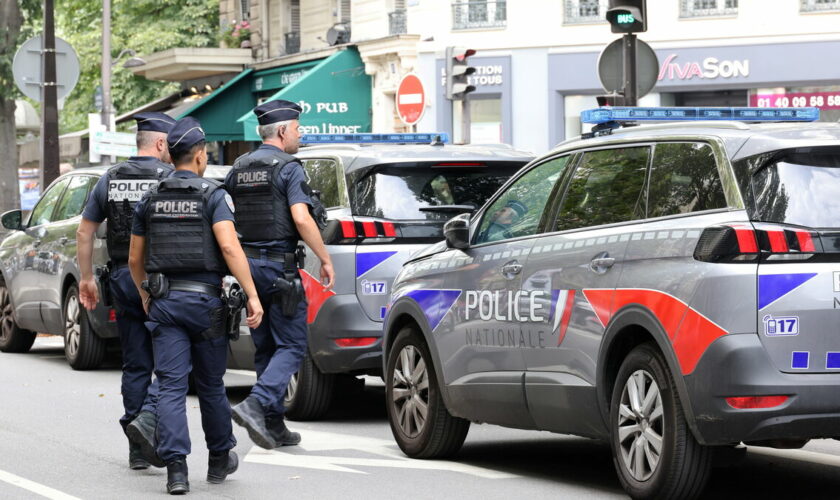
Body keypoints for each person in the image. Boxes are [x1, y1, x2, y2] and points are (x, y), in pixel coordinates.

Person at [128, 117, 264, 494]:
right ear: (201, 155)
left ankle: (176, 471)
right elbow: (229, 247)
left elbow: (134, 258)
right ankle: (220, 459)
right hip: (205, 304)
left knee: (171, 385)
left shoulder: (151, 197)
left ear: (170, 156)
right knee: (210, 385)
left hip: (166, 302)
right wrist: (252, 294)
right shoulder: (213, 195)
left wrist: (144, 294)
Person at [225, 99, 335, 449]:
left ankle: (273, 424)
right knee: (292, 343)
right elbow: (301, 218)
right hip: (278, 266)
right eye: (299, 130)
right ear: (284, 130)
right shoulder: (289, 167)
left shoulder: (238, 167)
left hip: (248, 267)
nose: (300, 136)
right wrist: (324, 257)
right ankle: (257, 405)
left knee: (266, 346)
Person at [77, 111, 175, 470]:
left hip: (120, 278)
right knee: (170, 361)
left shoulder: (111, 177)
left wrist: (86, 277)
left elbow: (84, 232)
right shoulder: (169, 177)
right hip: (163, 282)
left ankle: (136, 448)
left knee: (135, 363)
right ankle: (149, 427)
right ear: (161, 143)